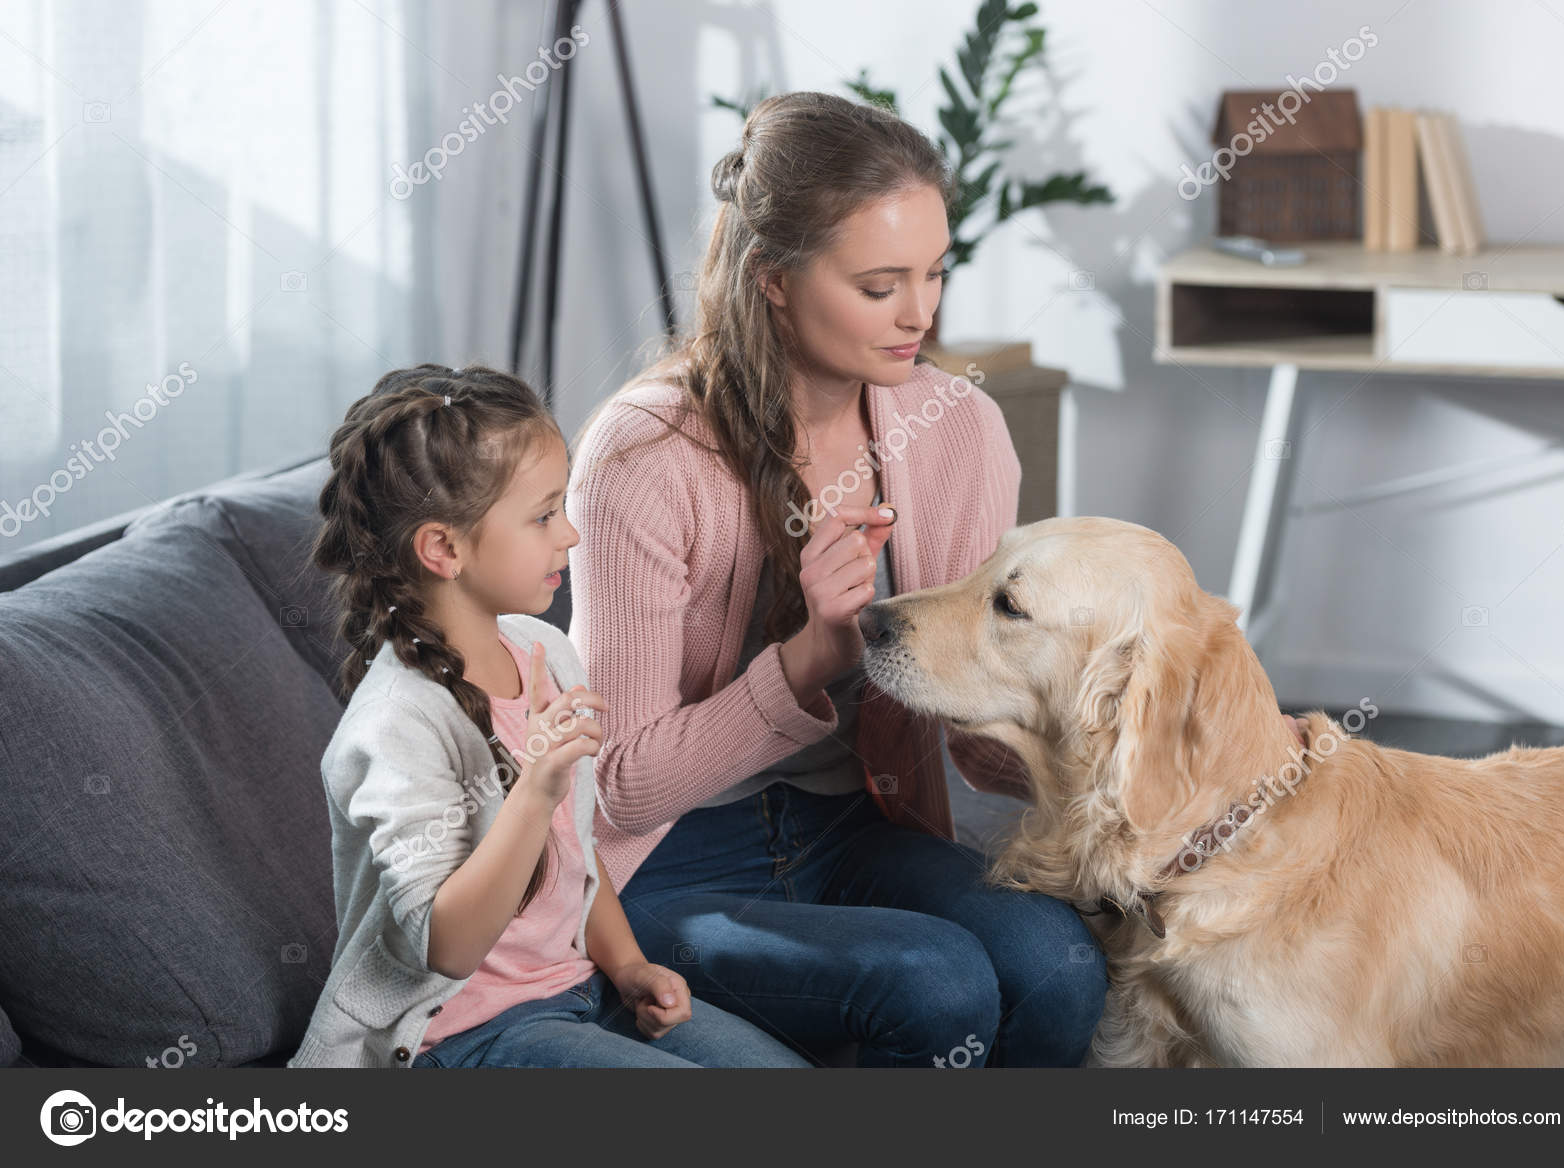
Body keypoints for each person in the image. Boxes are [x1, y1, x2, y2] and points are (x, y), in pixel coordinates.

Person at [565, 91, 1110, 1068]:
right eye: (879, 284)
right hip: (667, 861)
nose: (922, 314)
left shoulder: (957, 429)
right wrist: (804, 663)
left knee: (1059, 966)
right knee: (934, 979)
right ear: (773, 278)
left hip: (851, 823)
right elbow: (618, 787)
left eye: (934, 274)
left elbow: (977, 743)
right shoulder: (643, 456)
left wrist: (1115, 748)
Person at [286, 364, 810, 1068]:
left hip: (578, 992)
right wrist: (533, 790)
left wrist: (627, 967)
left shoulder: (543, 650)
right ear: (444, 548)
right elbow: (446, 945)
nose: (569, 534)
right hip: (460, 1038)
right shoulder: (396, 724)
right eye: (542, 516)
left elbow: (574, 847)